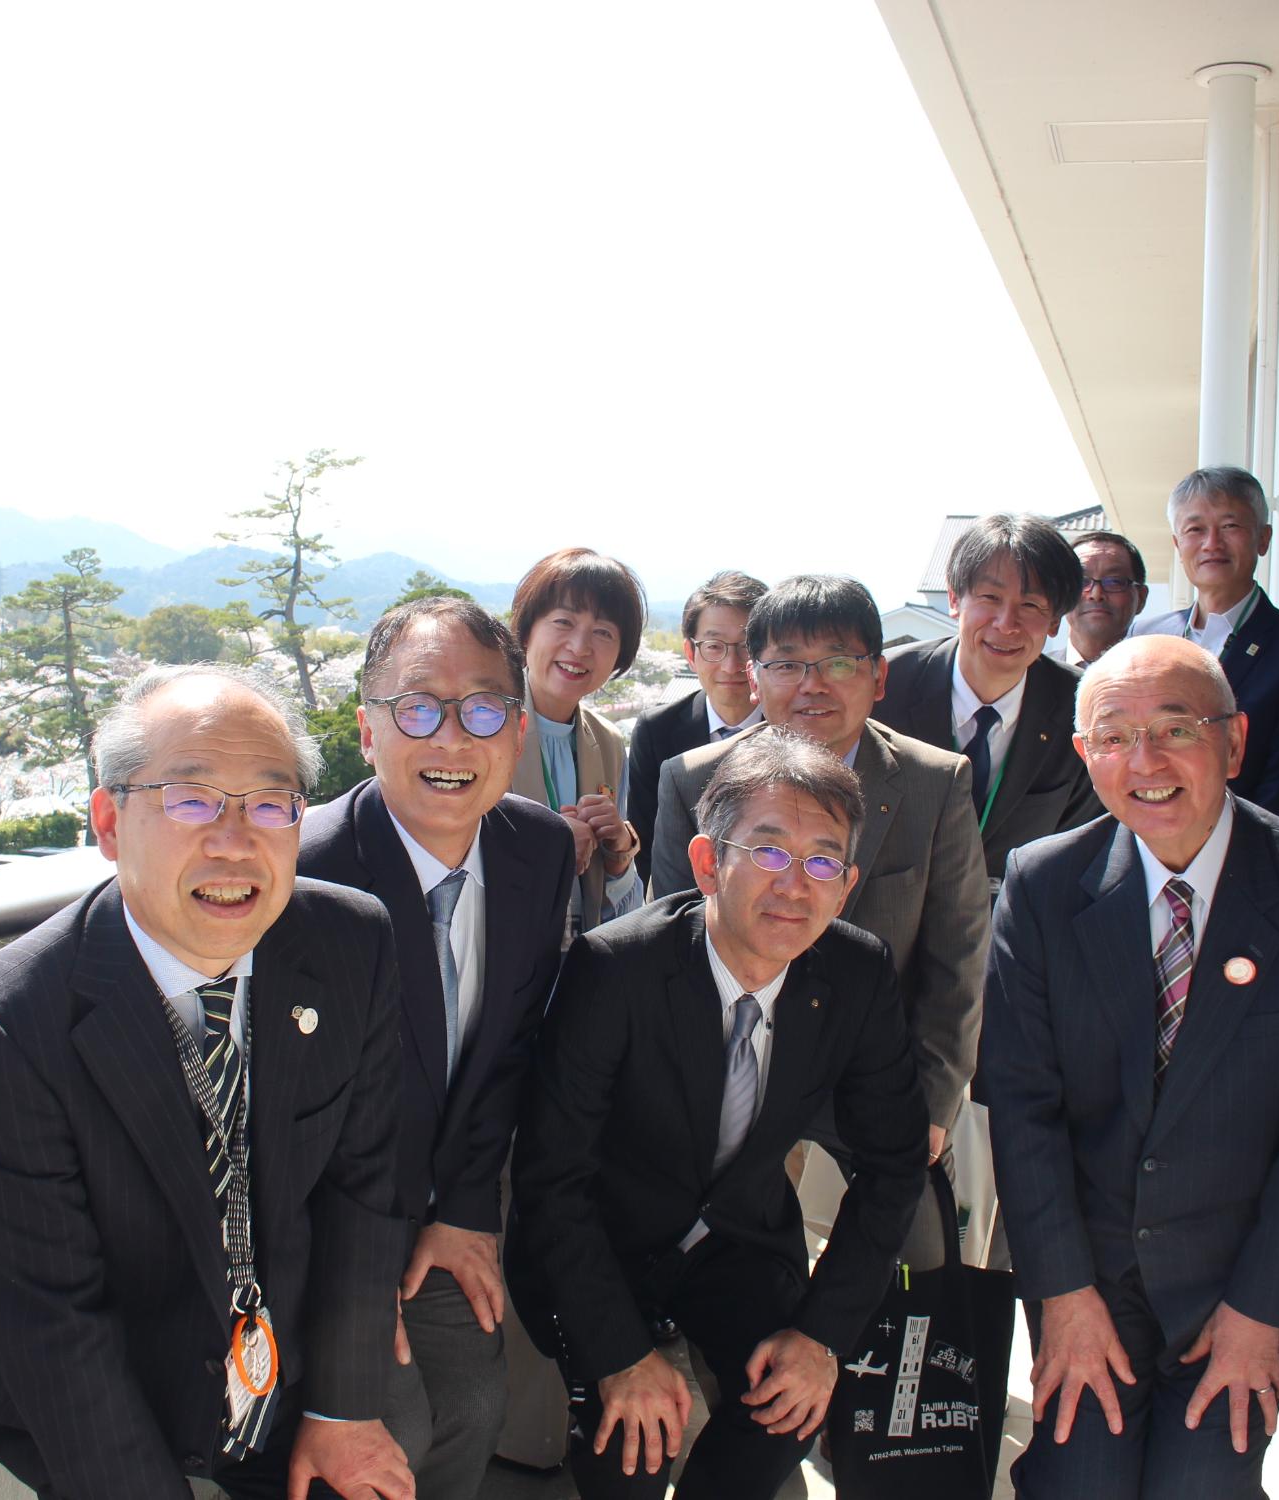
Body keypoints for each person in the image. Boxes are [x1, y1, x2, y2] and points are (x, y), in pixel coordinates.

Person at [0, 665, 413, 1500]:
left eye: (271, 803)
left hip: (299, 1378)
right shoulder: (9, 1024)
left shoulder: (350, 943)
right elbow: (53, 1325)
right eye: (191, 801)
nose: (235, 840)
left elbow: (365, 1188)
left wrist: (343, 1410)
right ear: (110, 821)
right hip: (123, 1401)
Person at [980, 636, 1279, 1499]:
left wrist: (1263, 1316)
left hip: (1233, 1285)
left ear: (1235, 741)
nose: (1147, 760)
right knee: (1075, 1479)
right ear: (1086, 753)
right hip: (1089, 1276)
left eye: (1175, 728)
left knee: (1204, 1485)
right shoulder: (1045, 885)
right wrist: (1060, 1294)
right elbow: (1024, 1108)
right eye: (1116, 736)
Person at [508, 730, 928, 1500]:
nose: (795, 886)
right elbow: (552, 1178)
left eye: (823, 862)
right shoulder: (615, 970)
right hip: (606, 1243)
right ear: (707, 862)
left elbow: (895, 1164)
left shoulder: (856, 971)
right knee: (627, 1448)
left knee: (785, 1412)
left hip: (736, 1239)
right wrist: (620, 1358)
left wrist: (819, 1339)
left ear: (847, 884)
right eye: (767, 852)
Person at [298, 598, 574, 1500]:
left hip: (448, 1195)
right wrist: (356, 1283)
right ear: (367, 731)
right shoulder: (306, 872)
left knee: (471, 1405)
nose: (452, 739)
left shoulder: (537, 849)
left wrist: (463, 1209)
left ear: (520, 730)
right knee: (389, 1439)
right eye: (417, 708)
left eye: (484, 710)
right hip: (320, 1228)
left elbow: (510, 1048)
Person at [652, 574, 988, 1174]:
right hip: (735, 1076)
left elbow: (959, 956)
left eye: (837, 662)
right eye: (786, 665)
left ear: (879, 676)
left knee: (900, 1259)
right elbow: (673, 946)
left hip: (877, 1082)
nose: (812, 686)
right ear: (754, 678)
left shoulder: (935, 782)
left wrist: (934, 1104)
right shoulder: (690, 779)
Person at [874, 513, 1101, 886]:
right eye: (990, 598)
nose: (1006, 623)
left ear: (1056, 620)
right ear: (954, 599)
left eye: (1030, 606)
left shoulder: (1082, 707)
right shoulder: (885, 688)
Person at [1132, 466, 1279, 821]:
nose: (1211, 543)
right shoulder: (1144, 636)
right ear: (1177, 544)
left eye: (1230, 527)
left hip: (1241, 856)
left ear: (1263, 539)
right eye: (1195, 529)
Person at [507, 547, 648, 941]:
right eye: (563, 622)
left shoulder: (607, 742)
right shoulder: (483, 725)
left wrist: (619, 850)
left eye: (603, 632)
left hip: (574, 970)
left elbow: (621, 905)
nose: (581, 647)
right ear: (527, 629)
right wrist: (550, 845)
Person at [627, 570, 767, 890]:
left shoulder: (793, 729)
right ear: (691, 654)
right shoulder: (656, 731)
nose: (732, 665)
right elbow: (646, 848)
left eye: (747, 646)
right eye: (714, 646)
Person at [1063, 529, 1151, 666]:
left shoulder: (1162, 677)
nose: (1096, 594)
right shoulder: (1027, 672)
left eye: (1114, 581)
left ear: (1141, 598)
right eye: (1082, 581)